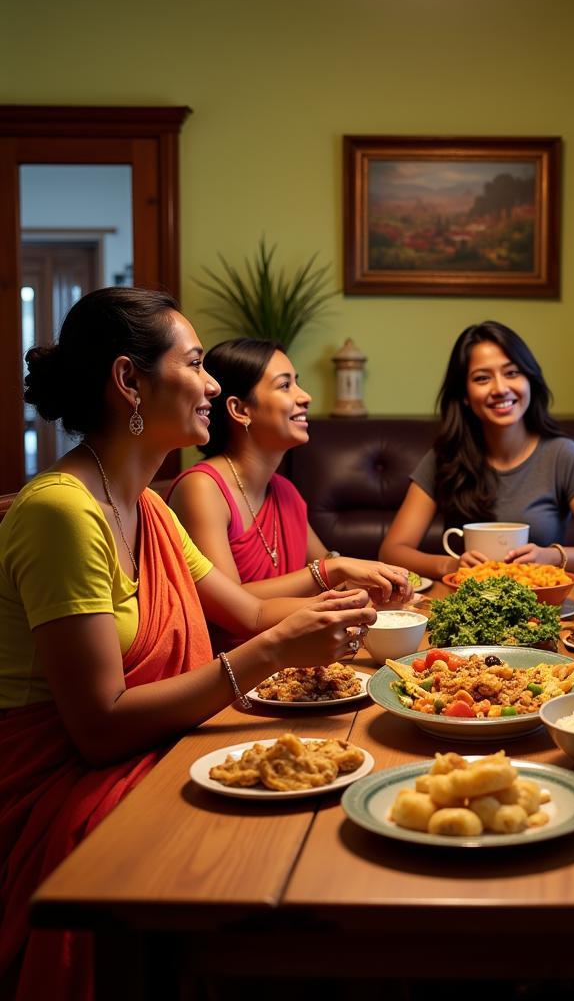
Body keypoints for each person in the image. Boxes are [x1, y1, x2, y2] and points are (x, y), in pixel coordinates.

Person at [0, 288, 376, 1001]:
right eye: (197, 363)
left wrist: (336, 604)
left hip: (152, 749)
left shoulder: (146, 504)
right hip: (58, 790)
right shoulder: (62, 513)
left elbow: (246, 611)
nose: (211, 385)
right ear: (129, 381)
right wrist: (273, 653)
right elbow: (98, 729)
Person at [166, 337, 411, 650]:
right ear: (239, 409)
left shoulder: (284, 491)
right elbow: (232, 607)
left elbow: (328, 566)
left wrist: (369, 585)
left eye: (298, 383)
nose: (305, 397)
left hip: (294, 659)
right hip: (230, 670)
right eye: (285, 386)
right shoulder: (202, 488)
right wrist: (335, 570)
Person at [379, 321, 574, 578]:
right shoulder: (446, 455)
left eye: (511, 373)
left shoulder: (563, 454)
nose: (500, 389)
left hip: (541, 603)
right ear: (464, 394)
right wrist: (450, 565)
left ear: (529, 379)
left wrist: (550, 556)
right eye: (482, 378)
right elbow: (392, 551)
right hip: (467, 604)